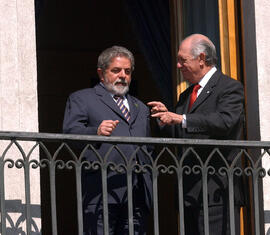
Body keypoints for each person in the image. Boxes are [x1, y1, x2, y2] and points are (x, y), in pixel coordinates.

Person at [148, 34, 245, 235]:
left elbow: (224, 122)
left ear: (201, 59)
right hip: (189, 191)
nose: (178, 65)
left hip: (217, 191)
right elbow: (180, 133)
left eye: (183, 60)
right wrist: (163, 118)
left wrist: (182, 119)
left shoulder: (229, 88)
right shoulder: (186, 95)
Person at [63, 46, 153, 235]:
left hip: (136, 192)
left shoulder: (141, 107)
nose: (122, 76)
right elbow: (70, 133)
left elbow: (149, 147)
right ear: (101, 73)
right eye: (116, 70)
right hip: (101, 189)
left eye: (127, 71)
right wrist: (95, 131)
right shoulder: (83, 98)